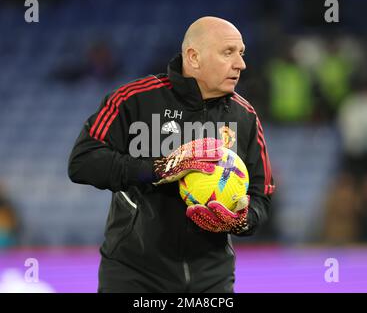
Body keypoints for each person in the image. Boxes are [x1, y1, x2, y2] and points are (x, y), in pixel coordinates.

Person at [68, 16, 275, 293]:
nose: (241, 64)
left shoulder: (245, 116)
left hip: (212, 278)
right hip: (133, 274)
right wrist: (159, 170)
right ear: (194, 57)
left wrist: (241, 220)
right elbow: (82, 162)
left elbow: (262, 196)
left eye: (241, 53)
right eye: (228, 52)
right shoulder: (134, 99)